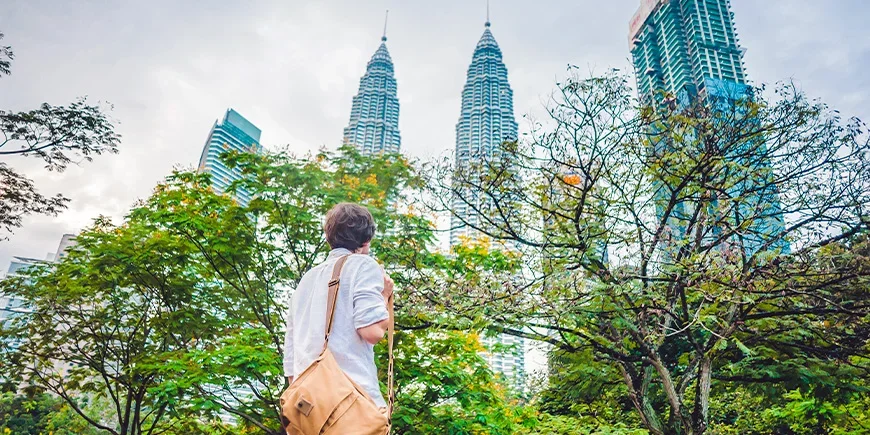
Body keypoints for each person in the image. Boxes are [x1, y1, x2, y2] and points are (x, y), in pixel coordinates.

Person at [283, 202, 394, 409]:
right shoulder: (362, 265)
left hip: (307, 406)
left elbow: (290, 358)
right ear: (366, 241)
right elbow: (372, 332)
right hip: (350, 403)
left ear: (329, 237)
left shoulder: (307, 279)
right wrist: (384, 297)